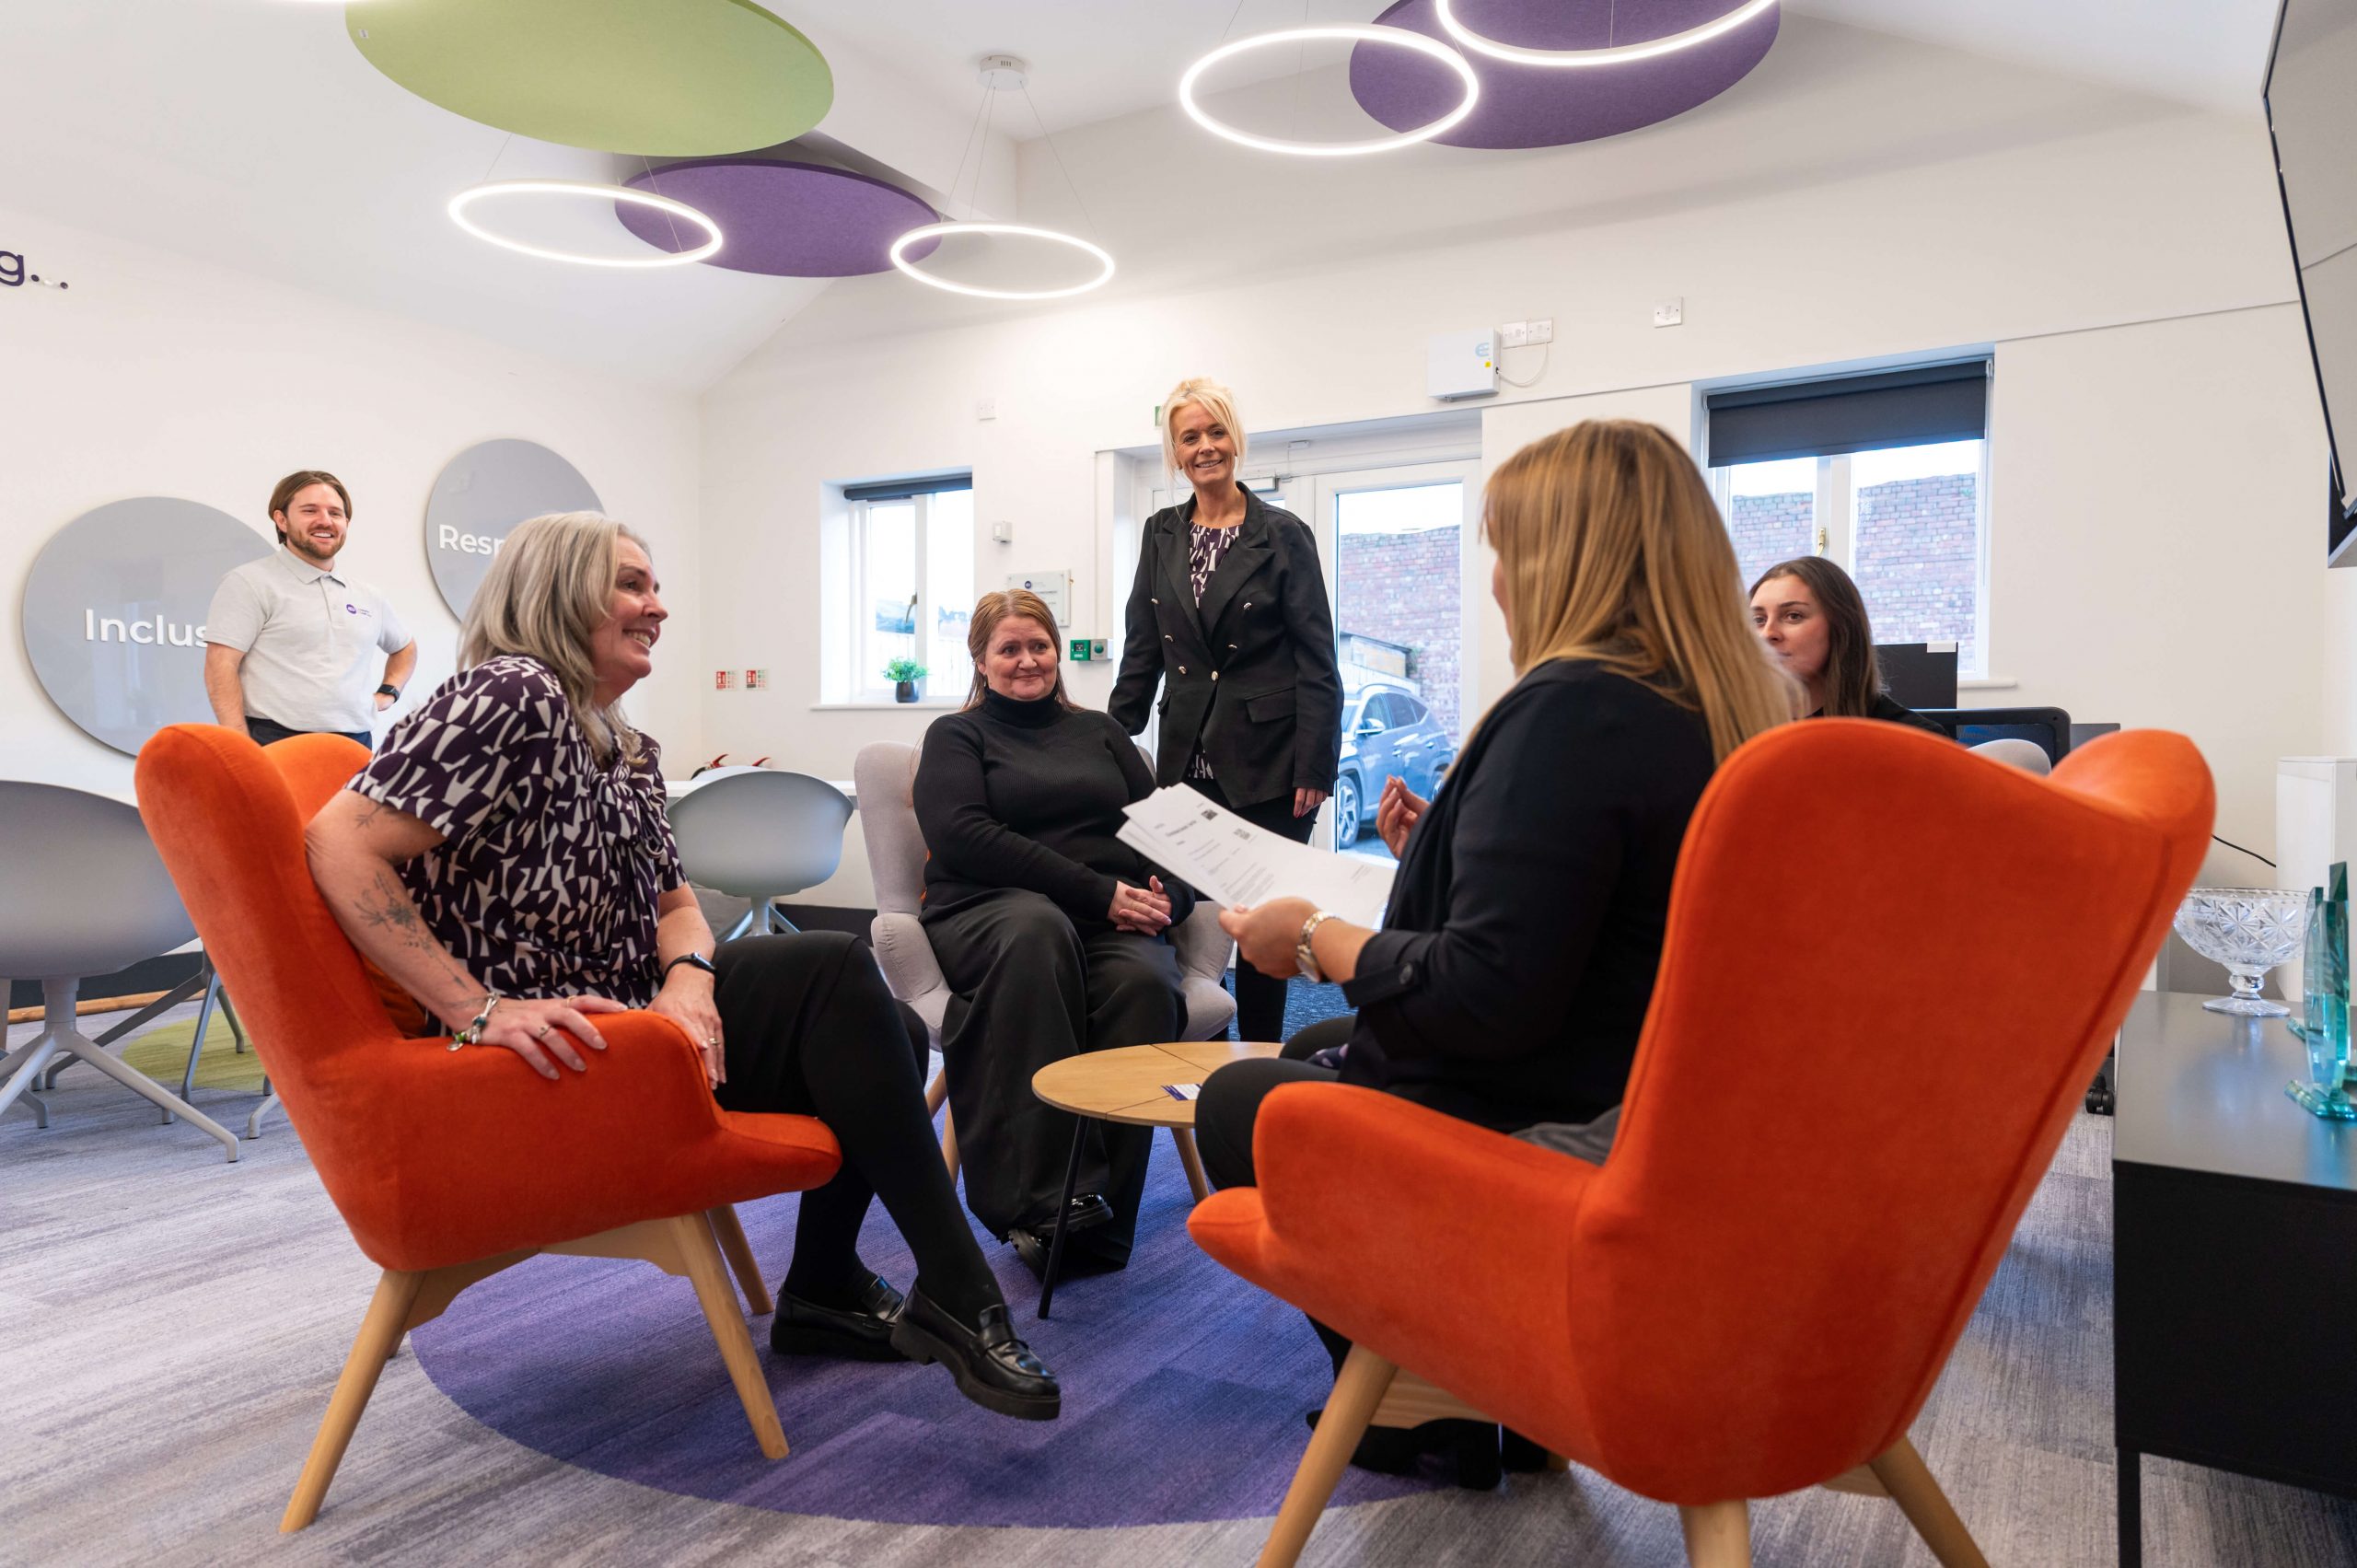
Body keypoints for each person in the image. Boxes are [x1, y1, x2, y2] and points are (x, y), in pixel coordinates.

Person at [302, 513, 1058, 1422]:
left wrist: (689, 979)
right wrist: (475, 1008)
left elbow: (676, 903)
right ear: (556, 592)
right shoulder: (511, 692)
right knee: (832, 970)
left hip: (635, 1027)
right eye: (631, 584)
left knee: (886, 1023)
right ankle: (959, 1292)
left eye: (655, 585)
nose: (658, 606)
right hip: (546, 1052)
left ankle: (824, 1285)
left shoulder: (622, 740)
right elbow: (338, 841)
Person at [1192, 421, 1793, 1474]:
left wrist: (1317, 936)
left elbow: (1486, 994)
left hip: (1546, 1110)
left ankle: (1434, 1395)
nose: (1500, 585)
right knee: (1319, 1044)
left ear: (1565, 562)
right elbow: (1602, 911)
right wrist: (1452, 850)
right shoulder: (1725, 711)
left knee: (1245, 1097)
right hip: (1649, 1087)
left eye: (1506, 552)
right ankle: (1471, 1390)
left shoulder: (1569, 708)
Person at [914, 590, 1195, 1276]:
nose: (1027, 660)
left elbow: (1163, 831)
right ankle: (1043, 1202)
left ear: (1057, 652)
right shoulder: (956, 736)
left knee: (1143, 983)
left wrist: (1172, 896)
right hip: (991, 909)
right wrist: (1098, 892)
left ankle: (1099, 1223)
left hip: (1105, 921)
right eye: (1008, 648)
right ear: (981, 660)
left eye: (1038, 645)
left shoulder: (1102, 733)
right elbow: (963, 834)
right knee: (1038, 930)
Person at [1109, 377, 1343, 1047]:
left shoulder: (1283, 534)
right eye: (1190, 437)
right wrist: (1105, 740)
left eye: (1216, 432)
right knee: (1178, 914)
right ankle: (1200, 1058)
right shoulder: (1160, 532)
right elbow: (1143, 648)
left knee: (1261, 927)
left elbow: (1316, 659)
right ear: (1175, 452)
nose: (1205, 447)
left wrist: (1315, 765)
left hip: (1272, 766)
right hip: (1186, 763)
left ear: (1235, 440)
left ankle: (1263, 1056)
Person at [203, 470, 416, 747]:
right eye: (310, 510)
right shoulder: (249, 583)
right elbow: (220, 666)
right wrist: (241, 747)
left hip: (356, 742)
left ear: (346, 523)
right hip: (275, 740)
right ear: (281, 520)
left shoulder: (368, 596)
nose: (325, 521)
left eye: (335, 513)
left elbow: (405, 648)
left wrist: (388, 693)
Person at [1747, 555, 1946, 733]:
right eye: (1758, 619)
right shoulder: (1735, 732)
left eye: (1793, 616)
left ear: (1841, 627)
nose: (1768, 634)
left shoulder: (1915, 740)